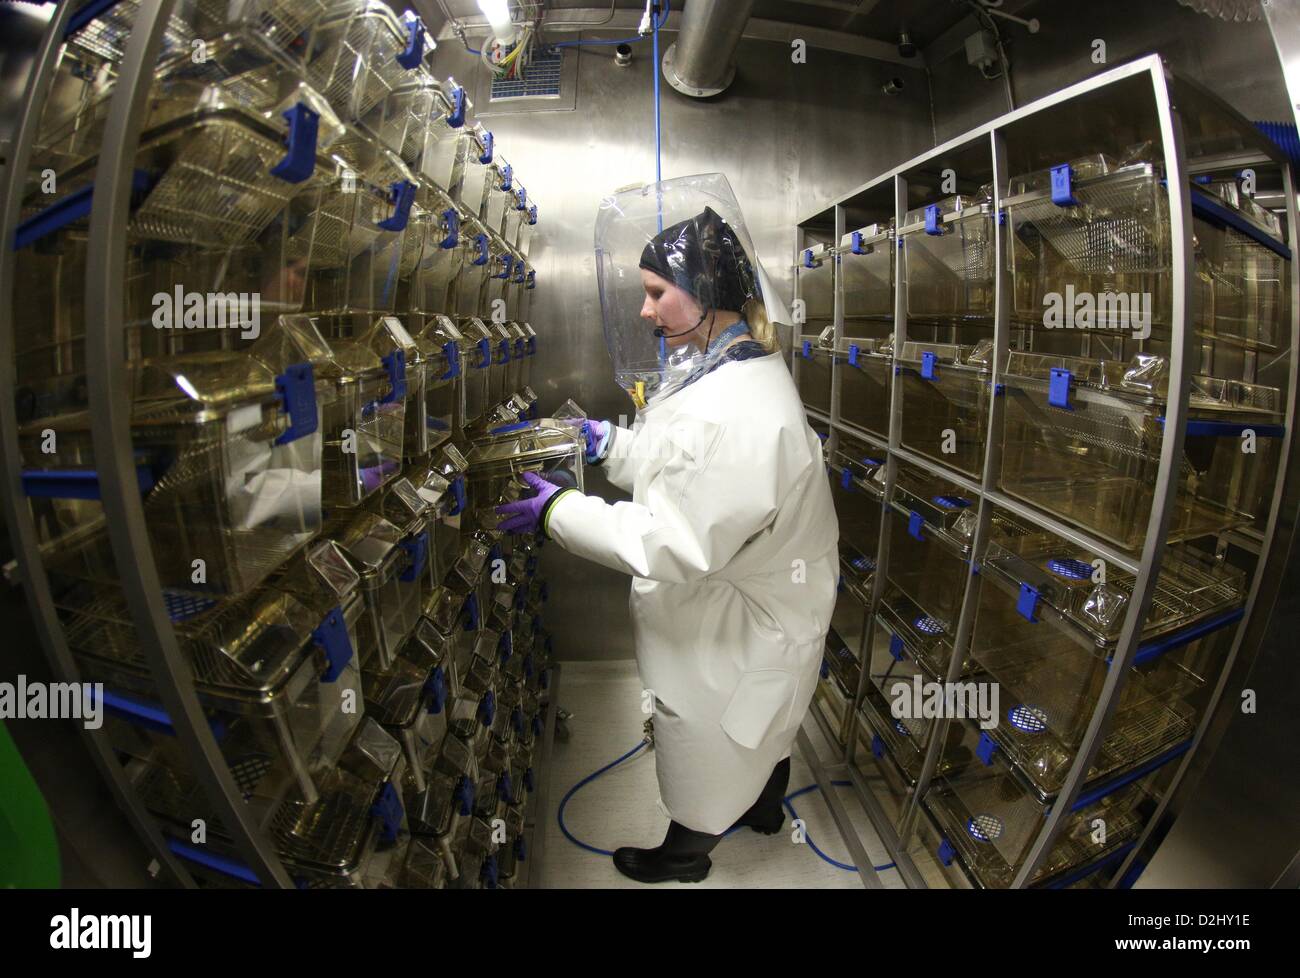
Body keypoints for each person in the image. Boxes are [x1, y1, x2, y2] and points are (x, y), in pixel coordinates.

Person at [496, 174, 839, 884]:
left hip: (741, 620)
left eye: (657, 293)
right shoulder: (729, 370)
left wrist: (558, 513)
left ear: (705, 296)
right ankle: (765, 810)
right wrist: (609, 445)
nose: (644, 309)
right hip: (766, 601)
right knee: (763, 732)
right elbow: (683, 469)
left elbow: (676, 541)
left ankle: (684, 855)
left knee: (707, 738)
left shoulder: (743, 408)